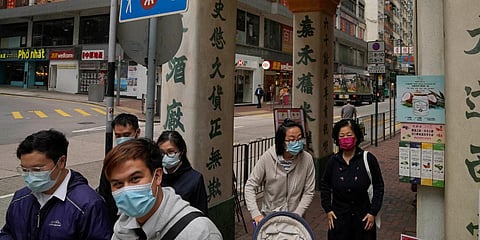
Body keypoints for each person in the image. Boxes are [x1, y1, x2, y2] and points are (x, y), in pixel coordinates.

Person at [0, 129, 112, 239]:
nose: (30, 176)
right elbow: (8, 233)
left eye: (37, 170)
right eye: (24, 170)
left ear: (61, 162)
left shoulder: (88, 205)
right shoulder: (20, 199)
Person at [103, 138, 222, 239]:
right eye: (118, 184)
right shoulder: (122, 229)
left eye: (135, 179)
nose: (127, 190)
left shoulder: (199, 233)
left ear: (158, 176)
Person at [320, 119, 384, 240]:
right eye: (342, 136)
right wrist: (328, 209)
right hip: (339, 220)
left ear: (356, 136)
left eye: (349, 135)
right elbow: (325, 185)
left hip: (364, 219)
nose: (346, 138)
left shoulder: (368, 159)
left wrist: (373, 212)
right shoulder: (333, 161)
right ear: (337, 139)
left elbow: (378, 186)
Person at [244, 119, 315, 225]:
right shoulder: (268, 157)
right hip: (270, 218)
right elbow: (250, 186)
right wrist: (256, 214)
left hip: (296, 219)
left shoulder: (307, 159)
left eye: (299, 138)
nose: (297, 142)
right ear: (282, 142)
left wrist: (297, 214)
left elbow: (308, 191)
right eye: (291, 140)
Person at [98, 113, 141, 226]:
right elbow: (104, 193)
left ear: (137, 133)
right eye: (118, 135)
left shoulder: (147, 158)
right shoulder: (111, 161)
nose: (122, 139)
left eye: (126, 134)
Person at [156, 130, 208, 214]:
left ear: (181, 152)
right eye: (162, 153)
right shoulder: (156, 175)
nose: (165, 157)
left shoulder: (194, 179)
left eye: (170, 152)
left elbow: (201, 212)